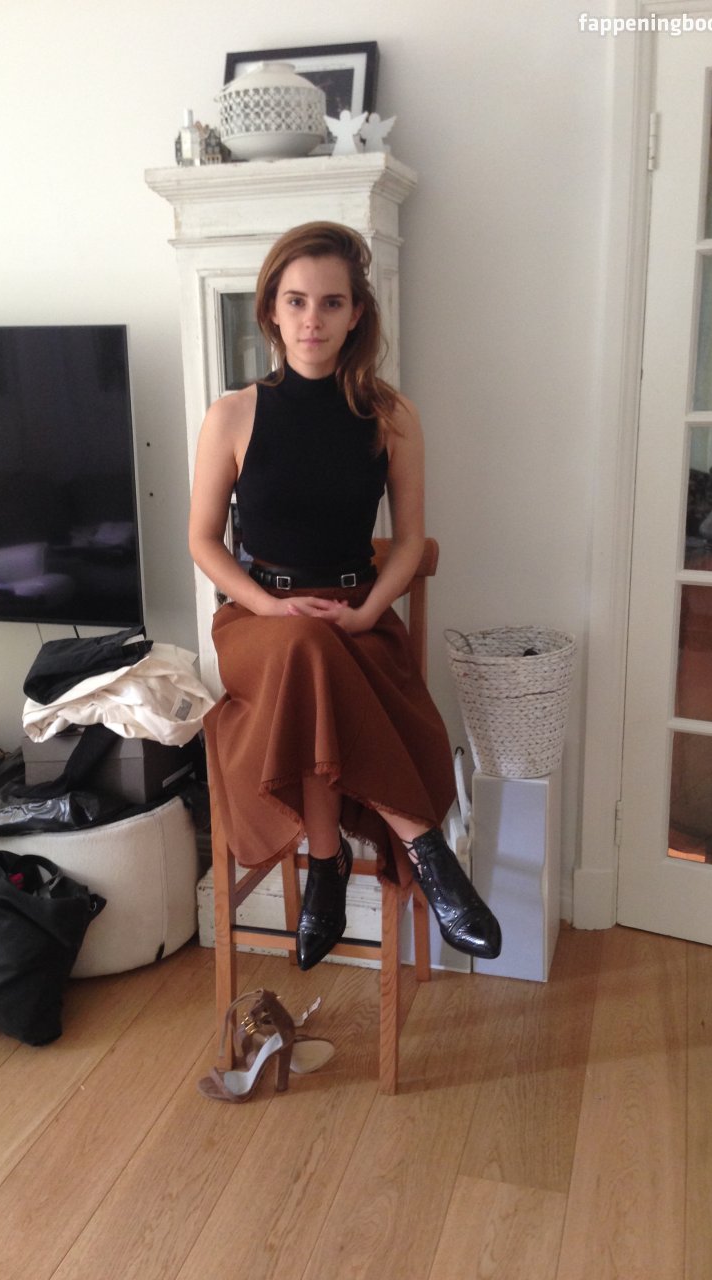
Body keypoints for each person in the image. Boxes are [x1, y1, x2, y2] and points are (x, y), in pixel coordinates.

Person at [188, 221, 500, 974]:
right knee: (302, 647)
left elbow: (410, 542)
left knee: (315, 656)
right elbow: (203, 541)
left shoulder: (391, 416)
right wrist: (269, 607)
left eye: (331, 303)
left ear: (357, 313)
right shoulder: (233, 415)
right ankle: (426, 846)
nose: (312, 320)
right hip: (258, 625)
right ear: (271, 309)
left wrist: (364, 613)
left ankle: (325, 861)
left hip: (356, 623)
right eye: (296, 301)